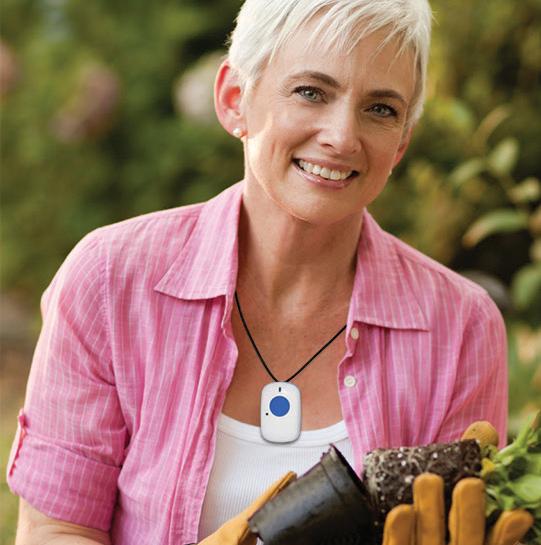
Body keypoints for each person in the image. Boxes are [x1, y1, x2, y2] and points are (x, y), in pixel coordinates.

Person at [7, 1, 515, 544]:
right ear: (235, 99)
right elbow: (56, 529)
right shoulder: (110, 281)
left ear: (402, 142)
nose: (342, 136)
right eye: (311, 92)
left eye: (381, 109)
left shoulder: (460, 328)